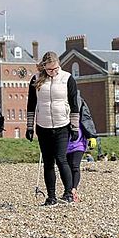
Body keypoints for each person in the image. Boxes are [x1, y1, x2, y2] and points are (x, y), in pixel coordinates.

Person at [26, 51, 79, 205]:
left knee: (61, 159)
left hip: (62, 125)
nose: (53, 72)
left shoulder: (67, 78)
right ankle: (51, 196)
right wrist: (29, 127)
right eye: (49, 70)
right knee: (48, 162)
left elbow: (74, 104)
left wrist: (74, 127)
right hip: (43, 126)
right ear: (44, 68)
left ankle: (69, 193)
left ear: (58, 65)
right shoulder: (36, 80)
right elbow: (31, 105)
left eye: (55, 69)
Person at [66, 93, 97, 202]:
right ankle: (68, 190)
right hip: (63, 140)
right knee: (66, 168)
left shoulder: (79, 100)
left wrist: (91, 136)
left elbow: (86, 118)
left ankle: (73, 190)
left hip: (78, 140)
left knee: (74, 166)